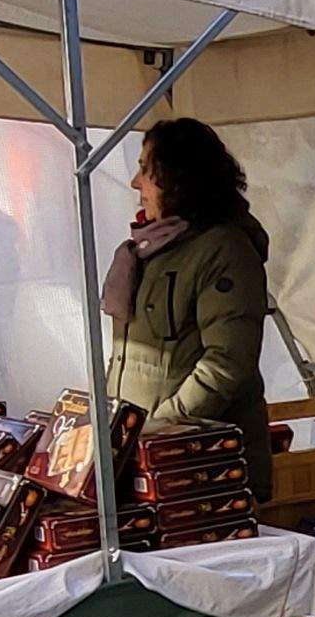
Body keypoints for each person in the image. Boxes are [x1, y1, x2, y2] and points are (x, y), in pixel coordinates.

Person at [101, 117, 275, 501]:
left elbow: (227, 363)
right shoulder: (151, 252)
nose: (135, 184)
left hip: (203, 471)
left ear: (180, 178)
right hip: (146, 461)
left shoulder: (225, 249)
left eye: (146, 170)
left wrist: (160, 430)